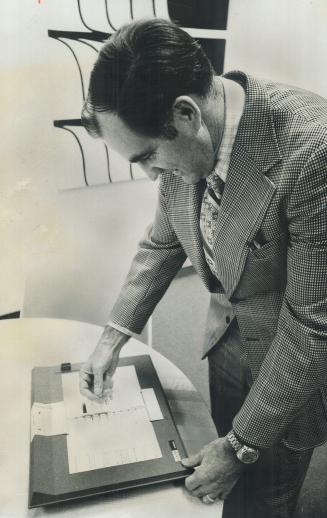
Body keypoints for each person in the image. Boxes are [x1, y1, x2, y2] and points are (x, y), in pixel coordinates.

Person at [79, 18, 327, 518]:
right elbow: (161, 243)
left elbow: (312, 322)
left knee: (266, 496)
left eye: (148, 156)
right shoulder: (188, 143)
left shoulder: (311, 150)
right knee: (220, 477)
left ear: (186, 114)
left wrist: (240, 447)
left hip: (291, 356)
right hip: (226, 335)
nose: (150, 174)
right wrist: (113, 336)